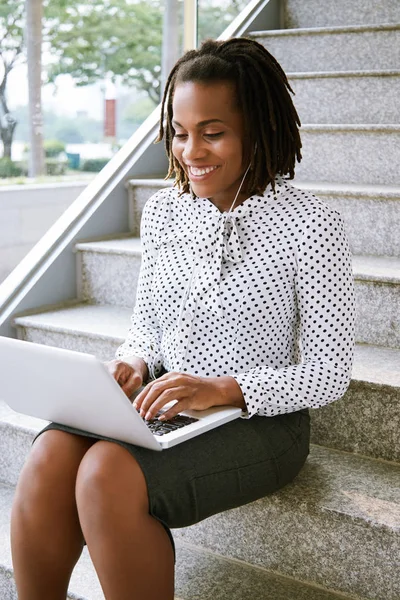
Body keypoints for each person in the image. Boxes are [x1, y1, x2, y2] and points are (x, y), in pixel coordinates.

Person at [10, 38, 355, 600]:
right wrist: (132, 362)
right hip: (163, 397)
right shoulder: (166, 211)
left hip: (259, 419)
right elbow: (147, 322)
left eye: (213, 132)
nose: (191, 150)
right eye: (180, 131)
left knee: (105, 474)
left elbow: (330, 373)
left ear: (257, 130)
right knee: (51, 456)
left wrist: (222, 390)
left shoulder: (311, 227)